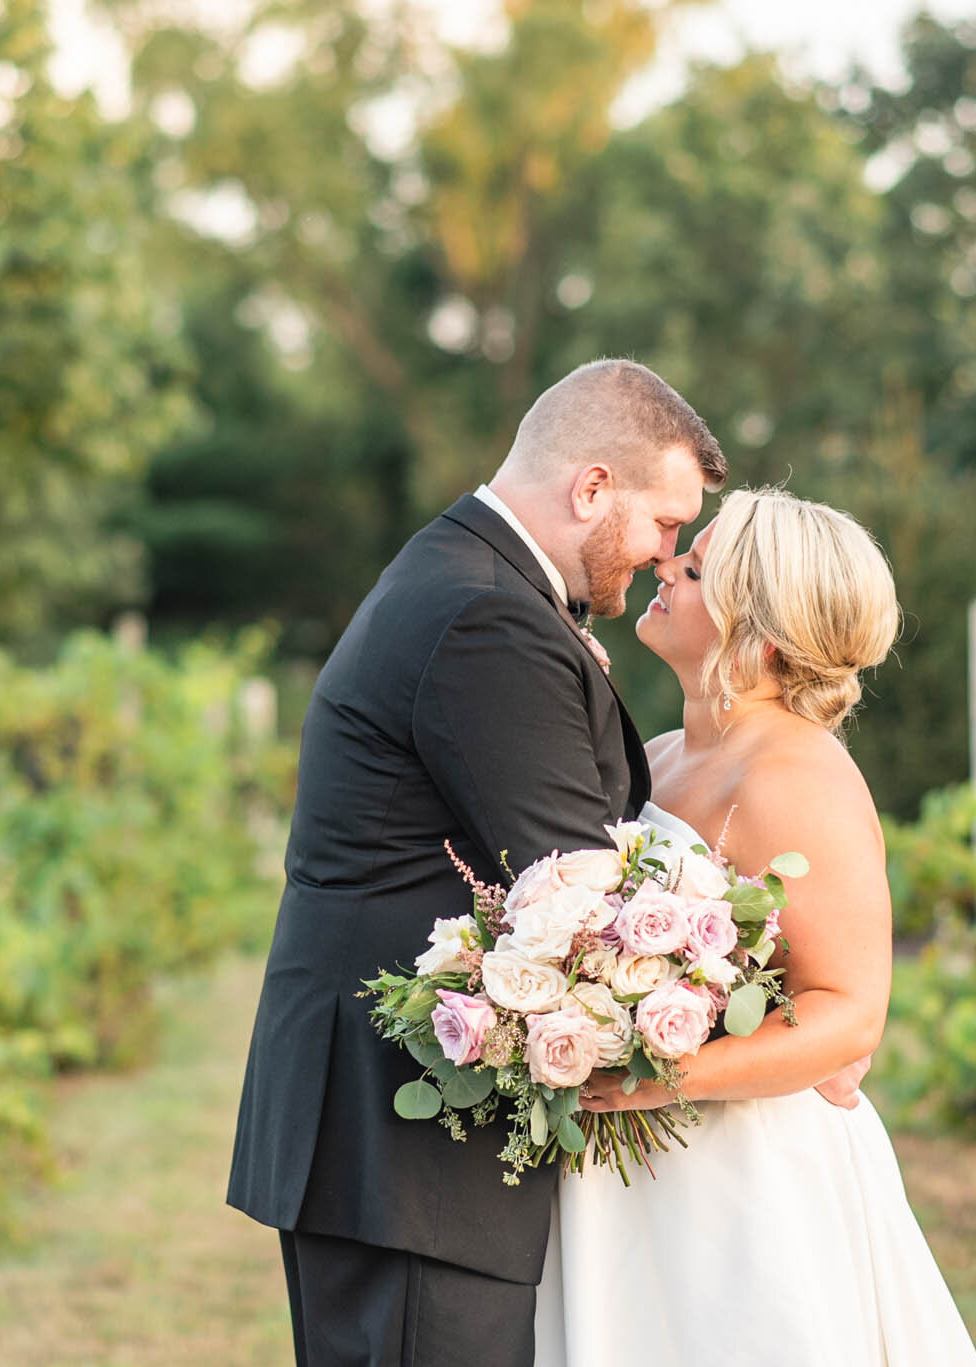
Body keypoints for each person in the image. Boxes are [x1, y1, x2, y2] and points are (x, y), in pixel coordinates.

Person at [226, 358, 725, 1367]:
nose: (664, 552)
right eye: (664, 525)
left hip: (386, 1142)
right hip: (403, 1149)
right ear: (590, 487)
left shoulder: (470, 576)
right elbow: (580, 889)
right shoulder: (486, 615)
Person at [535, 488, 976, 1365]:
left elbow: (850, 1011)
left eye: (694, 569)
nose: (665, 565)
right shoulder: (658, 756)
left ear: (758, 636)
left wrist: (667, 1076)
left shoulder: (800, 775)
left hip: (746, 1175)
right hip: (629, 1168)